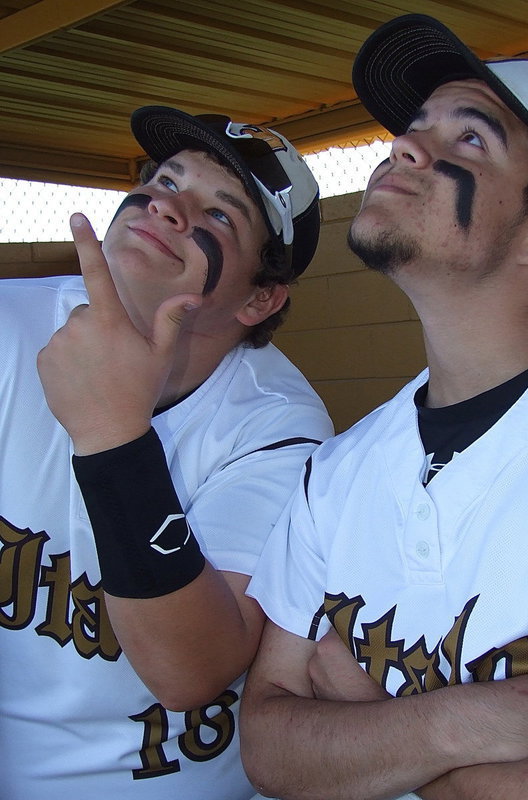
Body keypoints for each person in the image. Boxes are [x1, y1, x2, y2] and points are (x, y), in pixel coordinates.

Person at [240, 14, 528, 800]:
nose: (404, 146)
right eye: (414, 128)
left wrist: (363, 716)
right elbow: (266, 745)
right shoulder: (337, 469)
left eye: (470, 137)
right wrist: (457, 725)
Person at [0, 105, 333, 799]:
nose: (168, 206)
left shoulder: (278, 422)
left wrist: (113, 435)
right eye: (165, 180)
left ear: (259, 300)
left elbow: (191, 671)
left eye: (219, 215)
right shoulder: (8, 326)